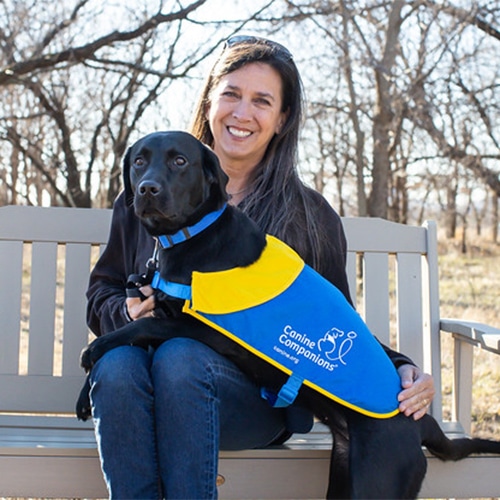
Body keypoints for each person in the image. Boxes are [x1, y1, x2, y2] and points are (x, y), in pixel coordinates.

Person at [86, 35, 435, 499]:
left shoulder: (307, 215)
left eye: (262, 101)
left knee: (180, 357)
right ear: (210, 101)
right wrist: (129, 315)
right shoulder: (145, 196)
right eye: (230, 94)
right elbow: (101, 296)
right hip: (139, 387)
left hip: (253, 400)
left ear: (281, 118)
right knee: (117, 363)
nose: (242, 113)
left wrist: (400, 368)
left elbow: (332, 320)